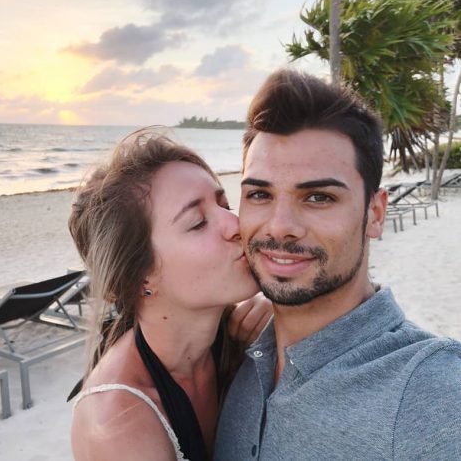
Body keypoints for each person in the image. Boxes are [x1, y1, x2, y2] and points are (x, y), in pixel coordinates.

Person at [214, 69, 461, 460]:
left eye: (319, 198)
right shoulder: (242, 354)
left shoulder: (431, 392)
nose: (280, 226)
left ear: (375, 213)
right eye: (260, 194)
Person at [68, 131, 272, 461]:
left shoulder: (239, 338)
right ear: (141, 276)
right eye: (198, 222)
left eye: (225, 205)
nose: (237, 225)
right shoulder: (118, 424)